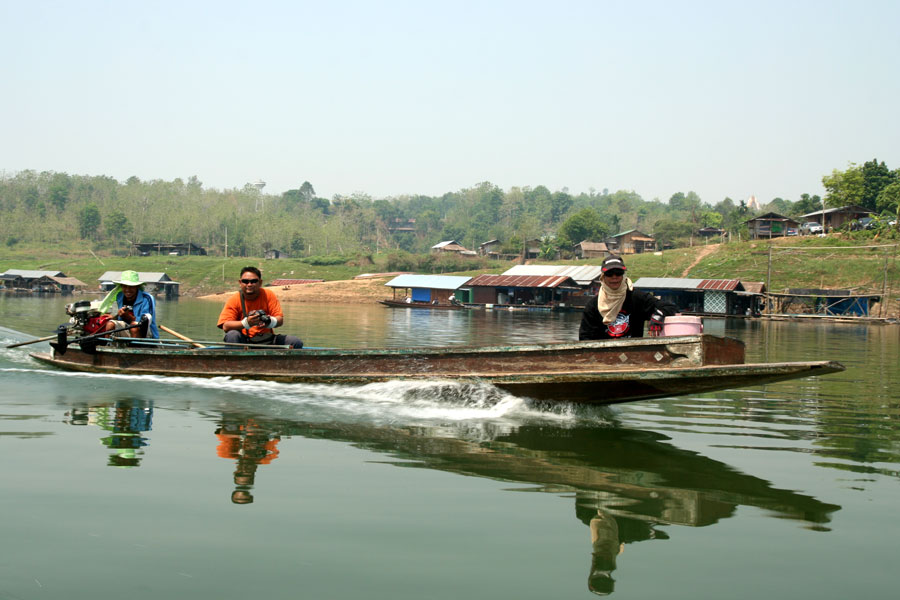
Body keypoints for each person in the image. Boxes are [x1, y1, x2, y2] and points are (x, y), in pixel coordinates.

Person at [579, 255, 677, 340]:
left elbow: (670, 307)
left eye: (618, 273)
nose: (614, 277)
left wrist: (657, 316)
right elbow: (585, 337)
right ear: (603, 277)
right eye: (609, 274)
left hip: (633, 352)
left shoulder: (637, 297)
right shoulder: (593, 305)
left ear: (623, 276)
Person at [217, 266, 304, 348]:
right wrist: (246, 323)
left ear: (260, 282)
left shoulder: (268, 295)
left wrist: (270, 322)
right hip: (244, 341)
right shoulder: (234, 299)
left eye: (254, 281)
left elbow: (280, 320)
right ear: (240, 283)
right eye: (245, 281)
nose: (249, 284)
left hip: (267, 339)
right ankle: (237, 363)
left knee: (295, 342)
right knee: (232, 335)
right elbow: (226, 326)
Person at [97, 270, 159, 338]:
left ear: (137, 287)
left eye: (131, 287)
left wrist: (130, 318)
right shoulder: (120, 296)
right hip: (127, 328)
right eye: (125, 286)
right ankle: (108, 346)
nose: (127, 290)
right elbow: (122, 318)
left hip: (144, 331)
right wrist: (115, 317)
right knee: (110, 324)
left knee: (134, 328)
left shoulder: (147, 299)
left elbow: (145, 322)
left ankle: (135, 348)